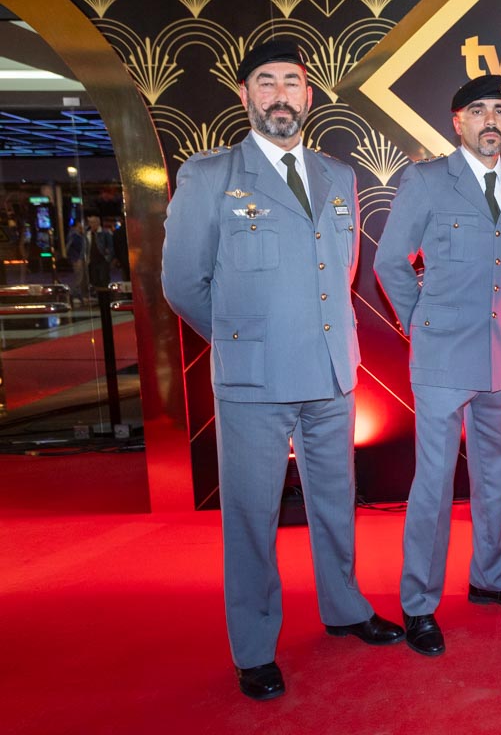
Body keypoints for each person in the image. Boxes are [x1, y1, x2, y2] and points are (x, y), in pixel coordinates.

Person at [161, 39, 404, 702]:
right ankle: (254, 647)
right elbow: (182, 284)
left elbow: (341, 269)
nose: (279, 95)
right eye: (264, 83)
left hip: (331, 373)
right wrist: (243, 342)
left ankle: (345, 608)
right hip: (254, 382)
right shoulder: (210, 175)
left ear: (308, 95)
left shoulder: (338, 175)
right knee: (251, 516)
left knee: (336, 503)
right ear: (245, 95)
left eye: (291, 82)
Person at [374, 74, 501, 658]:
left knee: (496, 474)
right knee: (434, 482)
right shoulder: (426, 181)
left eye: (499, 110)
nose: (490, 120)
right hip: (442, 356)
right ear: (458, 122)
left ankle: (492, 578)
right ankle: (418, 603)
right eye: (477, 111)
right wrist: (420, 323)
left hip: (497, 352)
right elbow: (391, 261)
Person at [85, 215, 114, 294]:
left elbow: (111, 246)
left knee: (103, 279)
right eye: (90, 223)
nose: (92, 224)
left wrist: (108, 258)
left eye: (94, 222)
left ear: (98, 223)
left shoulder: (105, 233)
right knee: (94, 280)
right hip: (92, 260)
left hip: (102, 260)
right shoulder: (87, 233)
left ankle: (105, 296)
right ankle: (98, 295)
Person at [65, 219, 87, 305]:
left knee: (81, 277)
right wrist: (77, 259)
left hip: (80, 259)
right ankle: (74, 295)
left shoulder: (79, 235)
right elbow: (70, 248)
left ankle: (80, 295)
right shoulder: (74, 236)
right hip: (77, 259)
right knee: (78, 278)